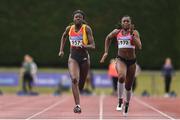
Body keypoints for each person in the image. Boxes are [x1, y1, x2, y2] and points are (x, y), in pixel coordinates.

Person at [100, 15, 142, 115]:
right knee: (121, 77)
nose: (126, 23)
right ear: (121, 23)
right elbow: (108, 38)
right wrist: (106, 52)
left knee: (128, 86)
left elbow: (139, 46)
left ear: (130, 23)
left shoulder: (135, 32)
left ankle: (127, 103)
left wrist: (132, 36)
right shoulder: (117, 32)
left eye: (128, 21)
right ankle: (120, 100)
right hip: (120, 59)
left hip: (131, 62)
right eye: (124, 21)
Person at [58, 10, 95, 113]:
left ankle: (79, 91)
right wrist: (61, 50)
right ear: (73, 19)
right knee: (74, 79)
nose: (78, 18)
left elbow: (93, 45)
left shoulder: (86, 29)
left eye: (80, 17)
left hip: (84, 59)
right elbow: (63, 36)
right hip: (73, 57)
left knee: (81, 85)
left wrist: (85, 46)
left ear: (83, 19)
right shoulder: (69, 29)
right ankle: (77, 105)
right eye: (76, 17)